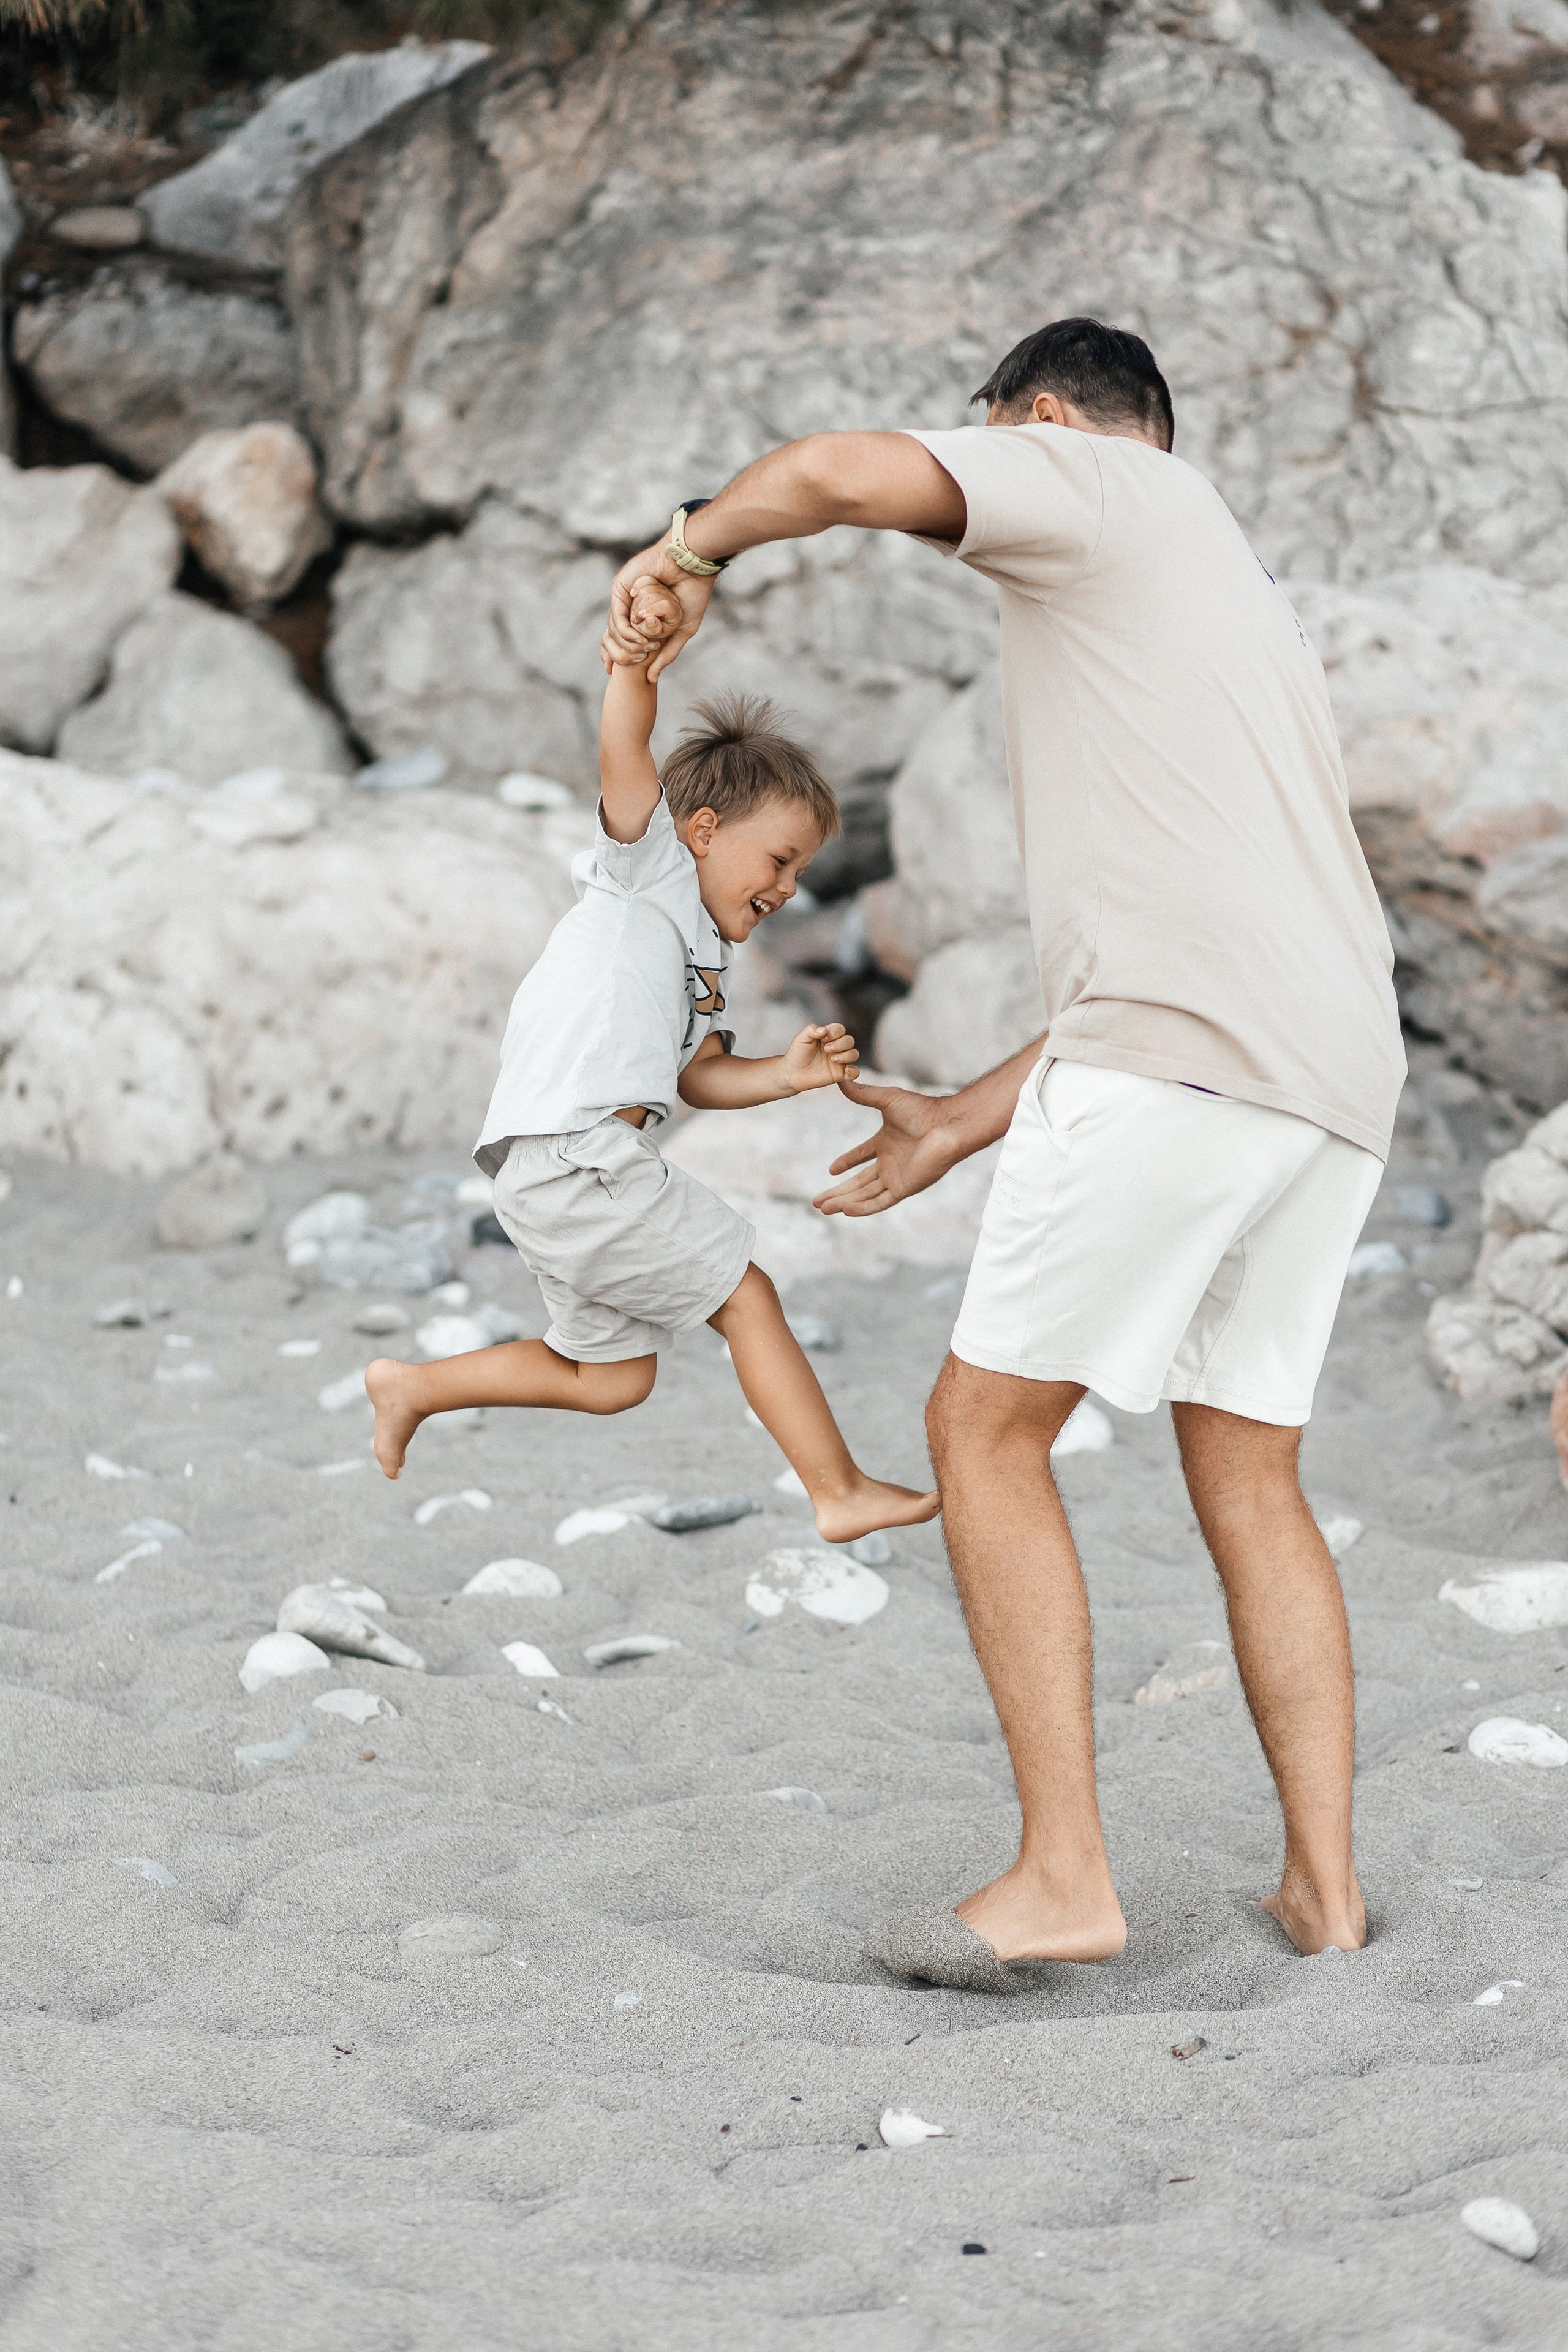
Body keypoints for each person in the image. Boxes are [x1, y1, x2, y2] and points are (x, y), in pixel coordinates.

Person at [600, 318, 1406, 1988]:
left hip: (1192, 1065)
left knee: (982, 1431)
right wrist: (974, 1113)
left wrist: (682, 554)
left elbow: (830, 475)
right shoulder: (1237, 605)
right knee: (1249, 1467)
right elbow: (1221, 932)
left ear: (1043, 423)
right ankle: (1325, 1897)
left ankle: (1064, 1876)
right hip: (1324, 1073)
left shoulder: (1097, 484)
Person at [367, 576, 940, 1549]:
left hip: (549, 1174)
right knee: (746, 1296)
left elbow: (696, 1079)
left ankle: (414, 1387)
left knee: (611, 1379)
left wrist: (784, 1075)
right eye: (780, 862)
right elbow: (624, 751)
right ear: (706, 833)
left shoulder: (702, 960)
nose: (788, 890)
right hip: (581, 1158)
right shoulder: (652, 873)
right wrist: (634, 667)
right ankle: (837, 1487)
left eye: (801, 876)